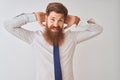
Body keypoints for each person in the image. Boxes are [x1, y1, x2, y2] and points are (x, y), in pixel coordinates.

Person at [4, 2, 103, 80]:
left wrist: (78, 21)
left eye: (60, 20)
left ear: (65, 21)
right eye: (52, 19)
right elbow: (8, 25)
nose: (56, 24)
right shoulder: (34, 37)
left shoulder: (72, 37)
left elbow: (98, 29)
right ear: (46, 18)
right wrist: (33, 16)